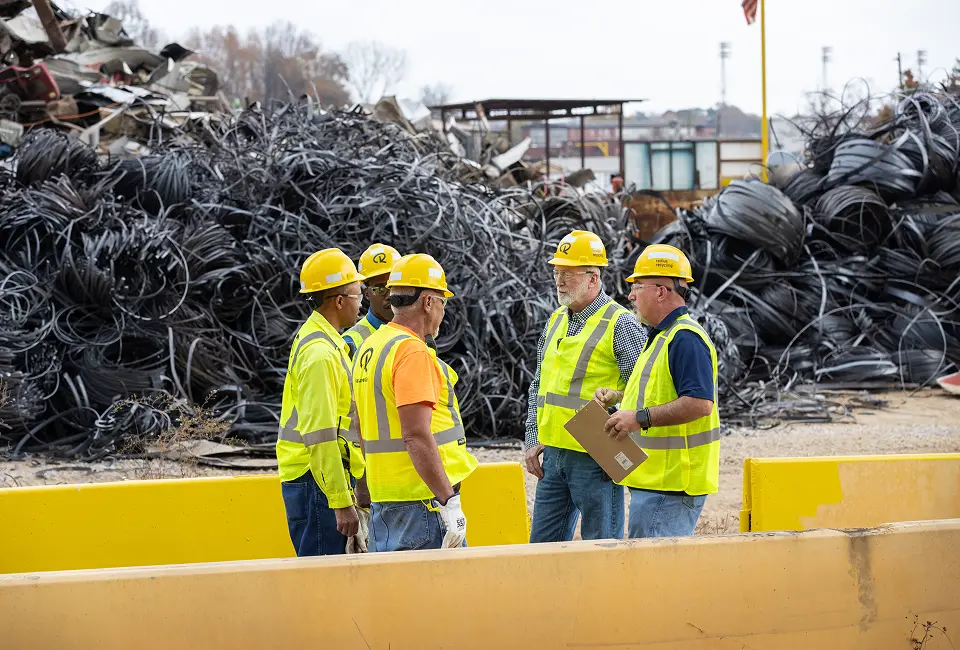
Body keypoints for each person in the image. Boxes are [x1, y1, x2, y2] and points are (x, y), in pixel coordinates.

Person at [525, 230, 646, 543]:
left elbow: (642, 389)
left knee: (601, 547)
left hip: (597, 455)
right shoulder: (555, 321)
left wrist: (617, 403)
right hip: (554, 456)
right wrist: (533, 437)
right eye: (557, 272)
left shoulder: (621, 323)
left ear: (593, 278)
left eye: (568, 274)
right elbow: (539, 385)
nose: (560, 281)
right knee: (542, 549)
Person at [352, 253, 478, 552]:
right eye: (443, 302)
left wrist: (365, 486)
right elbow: (416, 434)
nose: (442, 312)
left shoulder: (371, 345)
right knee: (440, 596)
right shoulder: (411, 352)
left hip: (386, 500)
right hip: (421, 503)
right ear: (428, 302)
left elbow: (361, 424)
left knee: (398, 596)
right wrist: (448, 502)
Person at [599, 244, 720, 538]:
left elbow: (700, 403)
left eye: (637, 286)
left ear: (661, 291)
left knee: (658, 580)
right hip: (657, 483)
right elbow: (657, 391)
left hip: (671, 487)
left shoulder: (685, 339)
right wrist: (617, 400)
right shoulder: (662, 336)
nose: (630, 295)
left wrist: (639, 418)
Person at [276, 248, 367, 556]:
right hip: (316, 483)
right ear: (339, 300)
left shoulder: (326, 342)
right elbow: (320, 435)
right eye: (358, 293)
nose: (362, 301)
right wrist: (340, 502)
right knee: (323, 588)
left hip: (319, 480)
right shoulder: (320, 354)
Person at [343, 243, 402, 360]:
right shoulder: (351, 343)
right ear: (367, 294)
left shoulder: (417, 332)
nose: (390, 295)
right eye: (380, 289)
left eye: (394, 286)